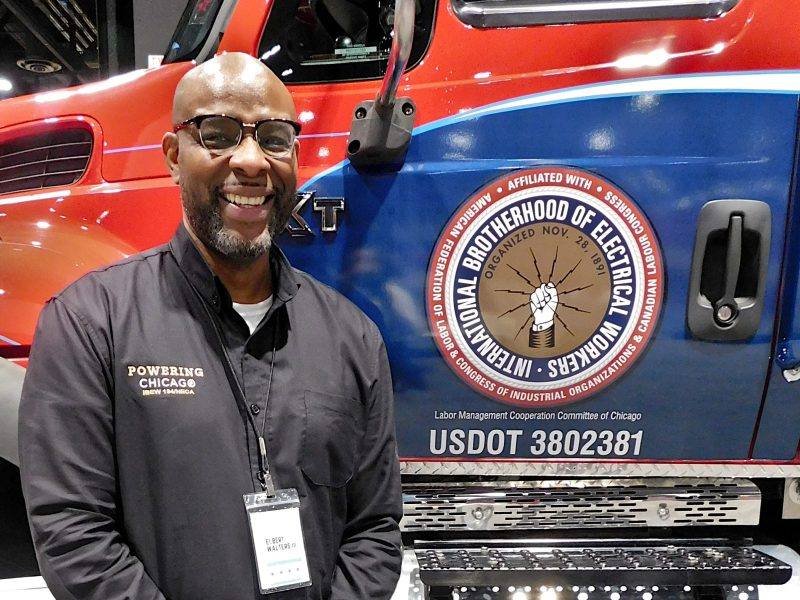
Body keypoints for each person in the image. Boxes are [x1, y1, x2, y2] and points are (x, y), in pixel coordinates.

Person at [19, 52, 403, 600]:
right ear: (175, 156)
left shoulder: (354, 338)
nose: (251, 161)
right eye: (217, 133)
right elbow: (73, 536)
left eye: (273, 137)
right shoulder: (89, 324)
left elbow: (374, 529)